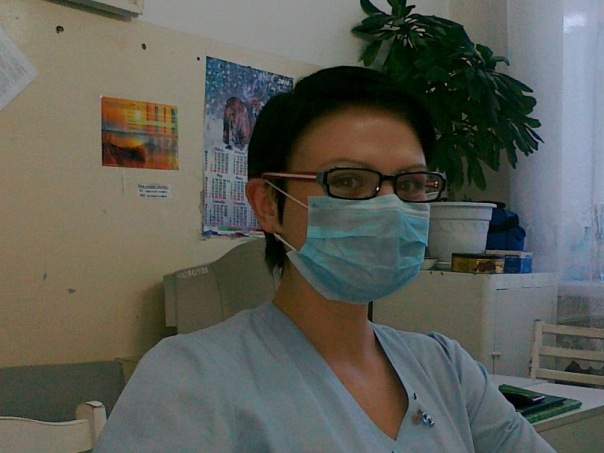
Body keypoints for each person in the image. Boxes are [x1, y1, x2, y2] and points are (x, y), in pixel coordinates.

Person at [94, 66, 555, 452]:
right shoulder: (189, 379)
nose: (390, 206)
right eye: (349, 182)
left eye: (411, 184)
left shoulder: (446, 368)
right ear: (268, 204)